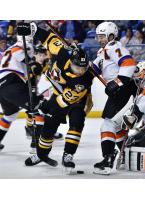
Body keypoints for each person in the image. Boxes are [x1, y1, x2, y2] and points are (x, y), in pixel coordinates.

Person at [18, 22, 94, 170]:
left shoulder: (82, 81)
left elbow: (62, 102)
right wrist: (32, 29)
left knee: (76, 124)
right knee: (49, 125)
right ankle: (41, 154)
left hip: (78, 99)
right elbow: (48, 37)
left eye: (83, 68)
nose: (80, 70)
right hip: (60, 92)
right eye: (77, 67)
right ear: (71, 60)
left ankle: (68, 155)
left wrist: (43, 107)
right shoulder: (63, 52)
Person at [92, 21, 138, 175]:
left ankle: (107, 160)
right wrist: (78, 57)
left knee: (108, 124)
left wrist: (117, 83)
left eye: (102, 36)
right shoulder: (103, 51)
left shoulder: (114, 47)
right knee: (116, 127)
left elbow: (129, 64)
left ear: (111, 35)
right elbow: (93, 70)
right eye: (98, 37)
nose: (99, 39)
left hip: (124, 89)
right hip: (121, 90)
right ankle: (125, 155)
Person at [0, 30, 42, 150]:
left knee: (10, 115)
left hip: (3, 86)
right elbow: (17, 52)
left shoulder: (13, 47)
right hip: (11, 82)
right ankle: (37, 143)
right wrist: (33, 63)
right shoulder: (22, 45)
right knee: (38, 107)